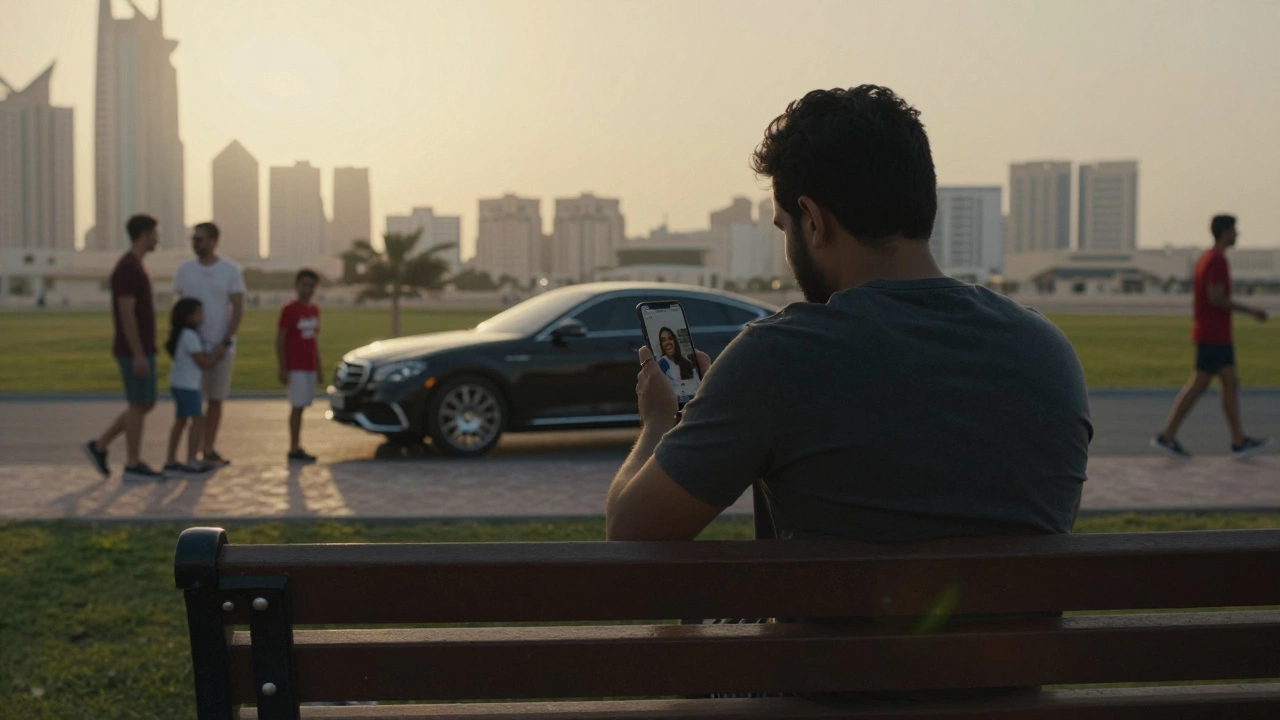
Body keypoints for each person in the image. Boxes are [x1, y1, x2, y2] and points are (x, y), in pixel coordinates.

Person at [1152, 215, 1272, 460]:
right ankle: (1168, 435)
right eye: (1235, 230)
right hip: (1213, 335)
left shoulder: (1208, 258)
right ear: (1225, 232)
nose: (1238, 235)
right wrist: (1252, 311)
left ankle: (1237, 440)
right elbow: (1215, 297)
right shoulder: (1216, 260)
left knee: (1226, 381)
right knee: (1203, 384)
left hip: (1213, 334)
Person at [82, 214, 164, 481]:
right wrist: (138, 354)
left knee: (144, 403)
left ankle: (99, 446)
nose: (157, 238)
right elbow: (126, 314)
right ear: (144, 234)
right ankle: (132, 463)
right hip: (133, 351)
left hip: (142, 348)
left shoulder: (137, 266)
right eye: (155, 233)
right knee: (139, 405)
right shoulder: (128, 268)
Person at [172, 221, 246, 466]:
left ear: (214, 242)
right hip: (192, 348)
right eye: (194, 239)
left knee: (215, 400)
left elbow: (237, 308)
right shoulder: (185, 270)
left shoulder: (230, 270)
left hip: (220, 346)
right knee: (190, 405)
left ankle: (208, 448)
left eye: (200, 239)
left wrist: (225, 342)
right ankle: (184, 455)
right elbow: (179, 309)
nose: (196, 243)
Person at [163, 298, 228, 476]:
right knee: (197, 420)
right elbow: (203, 362)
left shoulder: (182, 335)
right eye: (198, 313)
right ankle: (191, 459)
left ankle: (170, 459)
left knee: (181, 420)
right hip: (188, 386)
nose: (201, 317)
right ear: (188, 317)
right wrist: (218, 354)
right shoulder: (190, 336)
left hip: (179, 383)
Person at [276, 268, 323, 463]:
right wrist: (282, 366)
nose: (307, 289)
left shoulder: (314, 310)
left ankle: (298, 444)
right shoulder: (290, 309)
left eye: (311, 286)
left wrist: (319, 367)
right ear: (296, 286)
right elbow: (280, 339)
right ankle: (293, 447)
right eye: (304, 285)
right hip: (295, 366)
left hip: (309, 365)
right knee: (296, 406)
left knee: (303, 406)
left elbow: (314, 340)